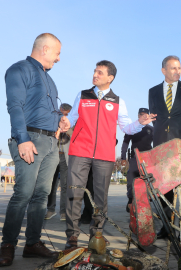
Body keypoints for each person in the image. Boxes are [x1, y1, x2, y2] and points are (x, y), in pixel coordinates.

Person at [63, 60, 156, 249]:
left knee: (100, 197)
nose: (95, 75)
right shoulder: (82, 95)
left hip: (104, 155)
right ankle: (72, 236)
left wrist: (141, 122)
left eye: (100, 72)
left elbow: (127, 128)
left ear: (110, 78)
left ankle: (96, 234)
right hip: (79, 151)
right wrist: (65, 122)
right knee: (74, 192)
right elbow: (72, 118)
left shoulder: (118, 101)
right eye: (94, 71)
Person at [0, 33, 68, 267]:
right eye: (57, 53)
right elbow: (15, 106)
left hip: (50, 143)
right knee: (23, 194)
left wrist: (61, 121)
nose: (58, 59)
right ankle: (8, 245)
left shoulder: (50, 79)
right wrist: (23, 139)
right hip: (30, 139)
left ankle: (32, 244)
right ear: (45, 49)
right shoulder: (19, 70)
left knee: (41, 196)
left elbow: (46, 109)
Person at [149, 55, 181, 239]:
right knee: (164, 188)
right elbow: (156, 118)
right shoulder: (153, 91)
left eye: (179, 68)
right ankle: (168, 227)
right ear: (164, 71)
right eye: (173, 68)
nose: (177, 71)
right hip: (162, 146)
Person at [121, 108, 154, 212]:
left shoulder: (151, 129)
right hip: (134, 157)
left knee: (148, 180)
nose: (143, 116)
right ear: (138, 115)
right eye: (141, 114)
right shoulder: (132, 128)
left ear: (148, 116)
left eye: (145, 115)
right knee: (132, 179)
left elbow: (157, 142)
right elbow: (125, 143)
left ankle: (147, 200)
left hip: (148, 157)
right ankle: (130, 200)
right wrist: (123, 157)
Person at [45, 103, 73, 221]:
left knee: (65, 185)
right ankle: (50, 210)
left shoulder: (72, 125)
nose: (64, 117)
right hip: (53, 155)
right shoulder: (53, 124)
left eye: (67, 115)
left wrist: (66, 130)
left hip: (65, 157)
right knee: (51, 184)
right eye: (62, 114)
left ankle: (63, 212)